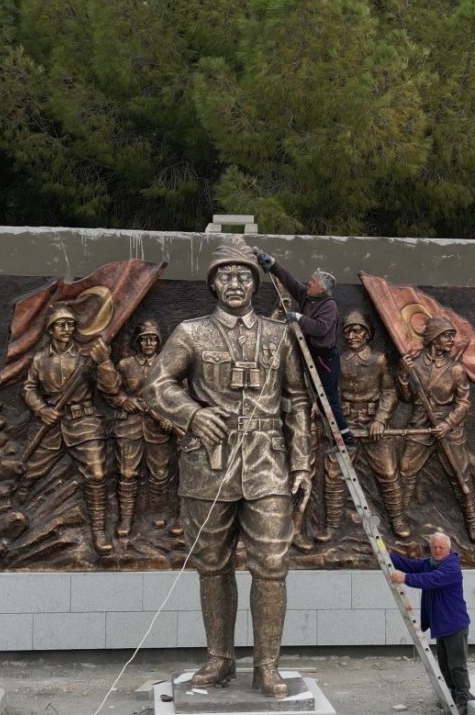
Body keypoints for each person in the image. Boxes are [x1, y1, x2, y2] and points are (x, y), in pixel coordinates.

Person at [147, 242, 312, 698]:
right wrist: (192, 414)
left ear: (255, 284)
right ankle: (219, 660)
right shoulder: (191, 333)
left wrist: (301, 462)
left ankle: (267, 666)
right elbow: (157, 385)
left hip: (267, 465)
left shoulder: (280, 335)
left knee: (272, 566)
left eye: (243, 276)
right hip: (210, 463)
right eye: (226, 276)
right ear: (213, 284)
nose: (235, 284)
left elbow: (298, 399)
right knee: (212, 566)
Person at [21, 305, 120, 552]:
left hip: (84, 422)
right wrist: (42, 409)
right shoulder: (40, 359)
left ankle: (98, 532)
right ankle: (12, 519)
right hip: (52, 424)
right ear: (51, 330)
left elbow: (111, 389)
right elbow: (29, 388)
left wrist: (105, 362)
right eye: (61, 324)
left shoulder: (86, 357)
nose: (67, 329)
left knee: (97, 475)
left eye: (70, 324)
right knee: (27, 472)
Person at [399, 317, 475, 543]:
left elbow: (464, 403)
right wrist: (402, 375)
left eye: (452, 335)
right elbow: (407, 397)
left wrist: (447, 424)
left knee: (461, 477)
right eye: (447, 336)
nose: (451, 340)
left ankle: (474, 524)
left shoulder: (456, 369)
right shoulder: (415, 364)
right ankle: (398, 520)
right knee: (406, 472)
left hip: (449, 429)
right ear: (433, 338)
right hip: (420, 426)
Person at [253, 248, 352, 444]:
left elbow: (320, 328)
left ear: (322, 289)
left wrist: (298, 318)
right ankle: (337, 437)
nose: (309, 283)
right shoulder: (309, 297)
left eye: (313, 282)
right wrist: (272, 264)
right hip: (311, 354)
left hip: (325, 359)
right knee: (318, 399)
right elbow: (289, 280)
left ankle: (346, 439)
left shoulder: (329, 306)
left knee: (329, 401)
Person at [389, 531, 473, 715]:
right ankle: (450, 697)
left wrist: (405, 578)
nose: (436, 550)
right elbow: (410, 565)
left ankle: (463, 701)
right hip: (441, 625)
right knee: (444, 666)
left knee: (457, 666)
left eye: (440, 547)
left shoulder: (450, 567)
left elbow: (431, 580)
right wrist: (385, 556)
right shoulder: (430, 564)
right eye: (434, 547)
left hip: (454, 625)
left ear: (448, 549)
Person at [334, 310, 401, 538]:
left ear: (366, 334)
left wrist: (380, 420)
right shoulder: (339, 361)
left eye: (356, 330)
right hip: (346, 423)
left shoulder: (379, 360)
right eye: (347, 331)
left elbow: (390, 392)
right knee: (334, 474)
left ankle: (397, 522)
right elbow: (331, 394)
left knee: (389, 473)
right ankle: (330, 527)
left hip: (373, 422)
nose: (351, 335)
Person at [107, 320, 179, 536]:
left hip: (158, 429)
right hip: (129, 427)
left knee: (159, 474)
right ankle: (125, 520)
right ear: (138, 342)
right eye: (145, 339)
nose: (149, 343)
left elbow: (177, 395)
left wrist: (169, 416)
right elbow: (110, 391)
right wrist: (122, 401)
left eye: (153, 339)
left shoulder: (167, 365)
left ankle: (156, 514)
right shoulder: (125, 365)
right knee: (127, 473)